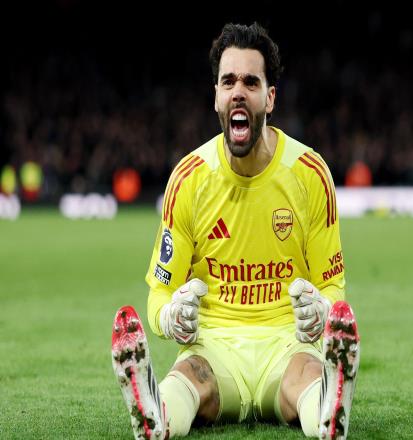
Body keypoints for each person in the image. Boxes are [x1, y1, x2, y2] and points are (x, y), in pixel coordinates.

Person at [111, 22, 360, 440]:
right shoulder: (190, 179)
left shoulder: (309, 174)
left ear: (270, 97)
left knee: (308, 376)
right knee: (190, 378)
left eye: (250, 81)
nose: (238, 91)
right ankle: (156, 417)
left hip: (288, 343)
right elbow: (159, 293)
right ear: (216, 97)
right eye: (228, 82)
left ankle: (328, 415)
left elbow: (333, 286)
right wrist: (170, 318)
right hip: (214, 345)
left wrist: (322, 310)